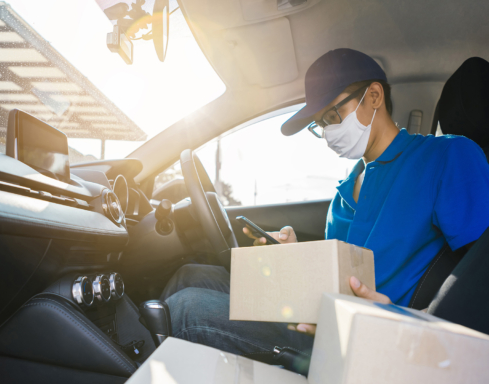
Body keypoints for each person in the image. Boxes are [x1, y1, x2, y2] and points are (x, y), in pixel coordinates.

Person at [161, 50, 489, 354]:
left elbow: (478, 275)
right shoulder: (347, 185)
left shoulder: (447, 156)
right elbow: (341, 270)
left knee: (187, 308)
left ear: (374, 96)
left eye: (334, 114)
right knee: (189, 275)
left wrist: (404, 321)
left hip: (365, 336)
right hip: (320, 310)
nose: (328, 132)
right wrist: (295, 257)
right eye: (320, 124)